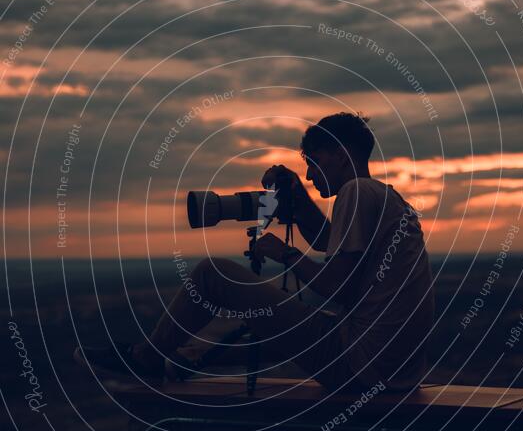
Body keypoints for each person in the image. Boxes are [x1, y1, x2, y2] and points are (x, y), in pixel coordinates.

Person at [74, 112, 435, 393]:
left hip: (359, 363)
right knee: (271, 331)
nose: (310, 175)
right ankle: (183, 363)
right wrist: (298, 198)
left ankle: (148, 358)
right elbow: (329, 242)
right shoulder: (384, 197)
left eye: (314, 162)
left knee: (212, 273)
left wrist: (285, 253)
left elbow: (335, 287)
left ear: (341, 156)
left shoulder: (357, 191)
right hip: (391, 370)